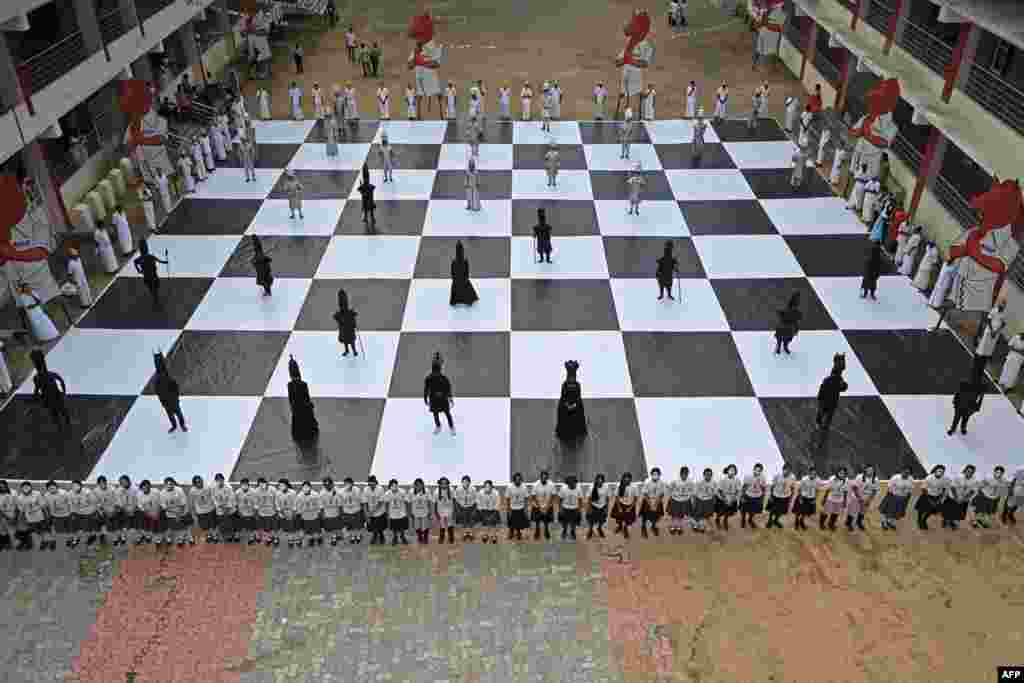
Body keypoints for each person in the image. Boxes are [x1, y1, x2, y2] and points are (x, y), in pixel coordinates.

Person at [30, 349, 69, 427]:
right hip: (51, 398)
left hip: (52, 397)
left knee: (59, 412)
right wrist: (64, 392)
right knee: (59, 412)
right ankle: (62, 424)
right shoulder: (44, 377)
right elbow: (61, 381)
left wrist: (35, 398)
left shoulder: (40, 377)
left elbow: (36, 390)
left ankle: (63, 423)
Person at [287, 356, 319, 444]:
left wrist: (292, 408)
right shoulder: (303, 384)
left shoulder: (289, 385)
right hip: (305, 408)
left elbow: (291, 399)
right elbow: (306, 397)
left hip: (296, 409)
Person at [152, 351, 185, 433]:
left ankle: (181, 425)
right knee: (173, 415)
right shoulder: (160, 381)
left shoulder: (166, 379)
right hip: (168, 401)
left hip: (172, 400)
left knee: (177, 414)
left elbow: (175, 387)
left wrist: (176, 397)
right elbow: (158, 392)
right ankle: (176, 426)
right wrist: (163, 402)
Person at [555, 360, 587, 443]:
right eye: (570, 376)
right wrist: (568, 405)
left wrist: (573, 405)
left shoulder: (576, 385)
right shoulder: (565, 385)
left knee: (578, 408)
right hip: (568, 405)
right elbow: (563, 397)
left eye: (572, 376)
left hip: (573, 405)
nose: (571, 378)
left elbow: (577, 398)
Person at [816, 354, 848, 432]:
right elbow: (843, 388)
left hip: (827, 401)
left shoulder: (830, 380)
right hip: (831, 402)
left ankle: (820, 423)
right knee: (827, 414)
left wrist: (819, 398)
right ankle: (822, 424)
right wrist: (844, 385)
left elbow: (821, 390)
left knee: (823, 413)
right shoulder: (838, 381)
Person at [424, 351, 455, 434]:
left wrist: (425, 399)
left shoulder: (429, 378)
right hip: (439, 398)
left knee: (437, 413)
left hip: (437, 398)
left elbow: (426, 389)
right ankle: (449, 427)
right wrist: (451, 398)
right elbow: (448, 389)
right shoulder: (443, 378)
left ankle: (442, 426)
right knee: (445, 413)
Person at [974, 301, 1006, 379]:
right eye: (1001, 305)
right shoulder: (994, 310)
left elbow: (1003, 323)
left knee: (991, 346)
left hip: (996, 333)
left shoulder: (1003, 314)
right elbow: (988, 320)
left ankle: (986, 356)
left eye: (1003, 306)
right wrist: (992, 330)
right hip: (989, 331)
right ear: (999, 305)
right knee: (984, 344)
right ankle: (979, 355)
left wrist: (997, 331)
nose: (1001, 307)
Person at [942, 465, 978, 530]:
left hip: (963, 499)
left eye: (971, 472)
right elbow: (953, 487)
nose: (969, 473)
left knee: (959, 514)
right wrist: (956, 498)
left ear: (973, 473)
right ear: (965, 470)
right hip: (953, 496)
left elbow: (972, 491)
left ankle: (954, 524)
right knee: (949, 512)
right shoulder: (958, 477)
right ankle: (946, 522)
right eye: (968, 471)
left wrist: (964, 498)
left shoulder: (974, 480)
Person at [133, 238, 167, 307]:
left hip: (147, 277)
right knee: (155, 289)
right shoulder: (150, 257)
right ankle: (156, 300)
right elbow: (160, 261)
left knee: (152, 289)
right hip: (153, 276)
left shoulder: (140, 258)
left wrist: (139, 270)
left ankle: (155, 299)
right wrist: (165, 262)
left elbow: (135, 262)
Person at [915, 465, 949, 531]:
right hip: (927, 495)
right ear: (935, 470)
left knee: (931, 510)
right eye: (939, 471)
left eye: (942, 471)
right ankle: (919, 520)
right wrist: (929, 499)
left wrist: (940, 498)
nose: (940, 472)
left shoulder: (944, 479)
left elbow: (944, 489)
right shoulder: (929, 477)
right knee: (921, 509)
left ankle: (924, 520)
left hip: (937, 497)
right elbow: (924, 488)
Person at [639, 468, 666, 537]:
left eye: (657, 474)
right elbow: (644, 494)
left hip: (657, 501)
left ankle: (653, 526)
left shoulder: (662, 483)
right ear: (651, 474)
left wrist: (656, 503)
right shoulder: (647, 482)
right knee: (644, 516)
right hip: (648, 501)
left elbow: (662, 494)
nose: (655, 475)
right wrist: (650, 504)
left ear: (659, 475)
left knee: (656, 516)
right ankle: (643, 527)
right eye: (654, 474)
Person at [766, 464, 795, 529]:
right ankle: (770, 520)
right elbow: (772, 486)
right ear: (783, 469)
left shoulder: (793, 477)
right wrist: (771, 496)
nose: (787, 471)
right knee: (772, 510)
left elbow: (792, 487)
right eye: (786, 469)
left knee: (781, 511)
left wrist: (791, 498)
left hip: (785, 497)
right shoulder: (777, 475)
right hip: (776, 495)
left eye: (789, 470)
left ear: (790, 471)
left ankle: (776, 520)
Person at [450, 241, 479, 306]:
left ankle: (455, 301)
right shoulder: (465, 261)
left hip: (456, 281)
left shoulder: (454, 262)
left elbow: (452, 273)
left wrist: (454, 279)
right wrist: (466, 278)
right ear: (462, 251)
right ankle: (468, 300)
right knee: (467, 287)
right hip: (463, 280)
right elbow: (467, 272)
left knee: (456, 288)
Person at [666, 467, 694, 534]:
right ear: (680, 473)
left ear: (688, 474)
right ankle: (673, 527)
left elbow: (692, 491)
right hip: (675, 500)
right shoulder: (675, 481)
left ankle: (679, 527)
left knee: (681, 515)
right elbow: (669, 489)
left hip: (685, 500)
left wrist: (689, 498)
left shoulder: (690, 482)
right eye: (683, 473)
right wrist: (671, 497)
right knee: (674, 515)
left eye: (686, 473)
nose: (685, 475)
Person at [210, 473, 236, 544]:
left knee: (230, 523)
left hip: (229, 509)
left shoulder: (229, 487)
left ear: (223, 479)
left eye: (221, 479)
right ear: (215, 481)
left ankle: (231, 536)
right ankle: (224, 536)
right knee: (222, 524)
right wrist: (219, 506)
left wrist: (227, 508)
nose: (219, 481)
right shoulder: (213, 488)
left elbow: (231, 498)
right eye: (217, 480)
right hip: (220, 510)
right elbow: (213, 498)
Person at [714, 465, 741, 531]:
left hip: (732, 498)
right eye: (730, 470)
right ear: (727, 470)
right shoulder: (723, 479)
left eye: (733, 470)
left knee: (728, 512)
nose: (732, 471)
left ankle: (725, 520)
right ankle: (717, 519)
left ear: (735, 472)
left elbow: (738, 491)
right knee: (721, 512)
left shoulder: (737, 480)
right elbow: (719, 491)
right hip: (722, 498)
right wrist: (725, 499)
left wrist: (733, 499)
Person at [188, 476, 215, 543]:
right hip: (200, 512)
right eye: (197, 482)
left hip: (210, 509)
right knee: (204, 527)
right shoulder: (192, 491)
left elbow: (213, 496)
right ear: (194, 484)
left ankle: (214, 536)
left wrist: (214, 506)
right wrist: (193, 514)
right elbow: (191, 503)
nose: (199, 483)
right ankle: (208, 536)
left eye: (200, 481)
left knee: (212, 525)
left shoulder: (208, 487)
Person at [740, 463, 766, 529]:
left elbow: (763, 488)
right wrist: (742, 496)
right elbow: (744, 487)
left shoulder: (763, 478)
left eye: (759, 471)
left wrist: (762, 497)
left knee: (753, 511)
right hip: (748, 495)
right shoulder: (748, 476)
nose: (757, 472)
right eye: (756, 470)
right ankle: (743, 520)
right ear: (753, 469)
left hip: (757, 496)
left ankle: (750, 519)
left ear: (761, 471)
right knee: (744, 510)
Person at [531, 471, 556, 540]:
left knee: (546, 520)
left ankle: (546, 530)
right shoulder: (535, 484)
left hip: (548, 505)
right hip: (537, 505)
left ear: (547, 478)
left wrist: (547, 506)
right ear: (540, 477)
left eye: (545, 477)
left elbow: (553, 496)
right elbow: (533, 496)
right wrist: (540, 507)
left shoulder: (551, 484)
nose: (544, 479)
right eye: (543, 477)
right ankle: (537, 530)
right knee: (537, 520)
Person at [340, 477, 365, 544]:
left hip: (356, 511)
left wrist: (362, 511)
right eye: (346, 483)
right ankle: (353, 537)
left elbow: (362, 501)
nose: (348, 485)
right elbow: (340, 503)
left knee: (358, 526)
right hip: (347, 512)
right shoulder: (341, 492)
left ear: (352, 484)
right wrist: (342, 512)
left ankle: (358, 536)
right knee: (350, 526)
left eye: (349, 483)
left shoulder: (357, 490)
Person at [297, 481, 323, 547]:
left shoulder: (316, 495)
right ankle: (311, 539)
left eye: (307, 487)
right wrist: (299, 514)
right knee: (308, 530)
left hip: (314, 516)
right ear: (302, 488)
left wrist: (319, 513)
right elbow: (298, 507)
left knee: (317, 530)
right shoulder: (299, 496)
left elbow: (320, 505)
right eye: (304, 487)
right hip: (305, 517)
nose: (305, 488)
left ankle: (319, 538)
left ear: (310, 487)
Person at [334, 288, 358, 357]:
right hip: (344, 329)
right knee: (346, 341)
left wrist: (353, 314)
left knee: (350, 341)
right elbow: (335, 317)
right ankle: (349, 350)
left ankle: (353, 351)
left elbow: (354, 315)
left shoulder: (347, 312)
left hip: (348, 328)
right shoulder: (341, 313)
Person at [384, 479, 409, 545]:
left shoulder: (402, 491)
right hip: (392, 513)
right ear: (390, 486)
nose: (394, 486)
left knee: (402, 527)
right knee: (394, 527)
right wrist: (387, 513)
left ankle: (402, 537)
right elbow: (386, 503)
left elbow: (406, 501)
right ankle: (395, 538)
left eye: (395, 485)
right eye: (392, 485)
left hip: (401, 513)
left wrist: (407, 512)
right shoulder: (387, 493)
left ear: (397, 485)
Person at [505, 473, 530, 541]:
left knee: (519, 523)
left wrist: (526, 509)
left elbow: (526, 498)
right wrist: (508, 509)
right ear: (514, 480)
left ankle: (518, 532)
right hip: (512, 507)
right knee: (511, 522)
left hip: (520, 507)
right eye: (516, 479)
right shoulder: (509, 487)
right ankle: (511, 532)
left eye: (519, 479)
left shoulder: (524, 487)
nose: (518, 481)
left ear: (521, 480)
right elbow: (507, 498)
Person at [319, 478, 343, 546]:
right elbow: (321, 506)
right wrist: (323, 515)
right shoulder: (322, 493)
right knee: (331, 529)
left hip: (336, 513)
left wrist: (341, 513)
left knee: (337, 527)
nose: (327, 486)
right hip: (328, 514)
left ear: (332, 484)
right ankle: (333, 539)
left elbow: (340, 504)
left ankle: (338, 536)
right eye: (326, 485)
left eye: (329, 485)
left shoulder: (337, 491)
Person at [557, 476, 582, 540]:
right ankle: (564, 531)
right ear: (568, 483)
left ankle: (572, 532)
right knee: (564, 522)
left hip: (575, 508)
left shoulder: (578, 489)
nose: (572, 484)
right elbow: (560, 499)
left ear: (575, 483)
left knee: (573, 522)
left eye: (574, 483)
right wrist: (560, 509)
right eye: (570, 483)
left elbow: (580, 500)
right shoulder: (563, 488)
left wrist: (579, 509)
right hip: (565, 508)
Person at [454, 475, 478, 542]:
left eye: (467, 482)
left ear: (469, 482)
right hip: (462, 507)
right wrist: (458, 509)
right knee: (463, 522)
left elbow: (476, 499)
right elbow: (456, 499)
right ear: (462, 482)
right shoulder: (458, 489)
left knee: (471, 522)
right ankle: (464, 534)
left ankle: (470, 534)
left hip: (471, 507)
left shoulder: (473, 489)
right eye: (464, 482)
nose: (466, 483)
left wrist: (474, 509)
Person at [409, 478, 433, 544]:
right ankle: (419, 537)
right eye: (417, 485)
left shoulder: (427, 491)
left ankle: (425, 537)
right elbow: (409, 502)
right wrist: (410, 512)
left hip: (425, 512)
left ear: (422, 485)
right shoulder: (411, 492)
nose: (418, 486)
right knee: (417, 526)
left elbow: (430, 502)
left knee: (425, 526)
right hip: (415, 512)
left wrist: (430, 512)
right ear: (414, 485)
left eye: (420, 484)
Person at [586, 474, 609, 539]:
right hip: (594, 506)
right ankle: (590, 530)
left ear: (603, 480)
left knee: (602, 519)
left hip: (602, 506)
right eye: (598, 479)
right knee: (591, 519)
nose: (600, 480)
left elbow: (607, 498)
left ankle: (599, 528)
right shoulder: (591, 487)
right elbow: (589, 498)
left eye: (601, 479)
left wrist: (607, 507)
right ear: (596, 480)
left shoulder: (606, 487)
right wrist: (589, 507)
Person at [434, 477, 454, 543]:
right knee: (442, 524)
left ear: (448, 484)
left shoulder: (451, 490)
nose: (444, 485)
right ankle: (441, 537)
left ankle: (451, 538)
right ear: (439, 484)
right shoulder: (436, 492)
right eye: (442, 483)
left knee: (449, 524)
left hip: (449, 510)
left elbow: (454, 500)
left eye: (445, 483)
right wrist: (436, 512)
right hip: (440, 510)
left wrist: (454, 511)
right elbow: (435, 503)